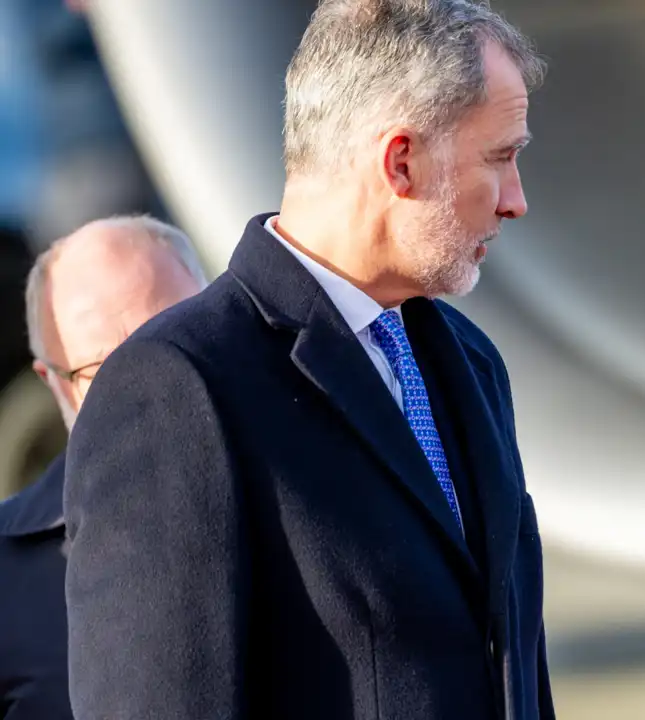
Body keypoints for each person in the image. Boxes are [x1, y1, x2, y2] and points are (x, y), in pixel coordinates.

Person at [62, 1, 552, 719]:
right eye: (501, 157)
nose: (517, 201)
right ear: (402, 161)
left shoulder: (471, 363)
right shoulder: (179, 387)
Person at [0, 215, 207, 720]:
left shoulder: (333, 487)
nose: (149, 385)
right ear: (53, 383)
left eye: (173, 341)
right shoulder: (7, 576)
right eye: (103, 370)